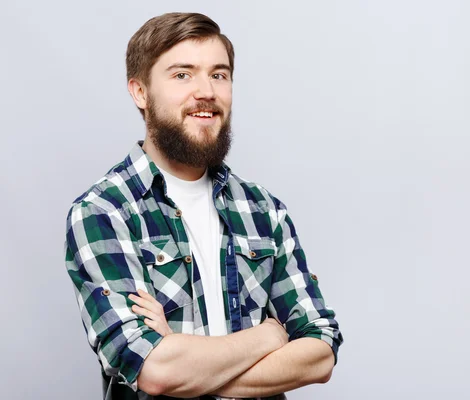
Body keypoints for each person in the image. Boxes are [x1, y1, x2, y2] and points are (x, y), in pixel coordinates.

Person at [64, 12, 343, 400]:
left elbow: (320, 353)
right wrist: (271, 334)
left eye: (219, 74)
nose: (206, 91)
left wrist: (186, 360)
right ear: (140, 92)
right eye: (182, 75)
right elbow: (155, 369)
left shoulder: (263, 210)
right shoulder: (104, 212)